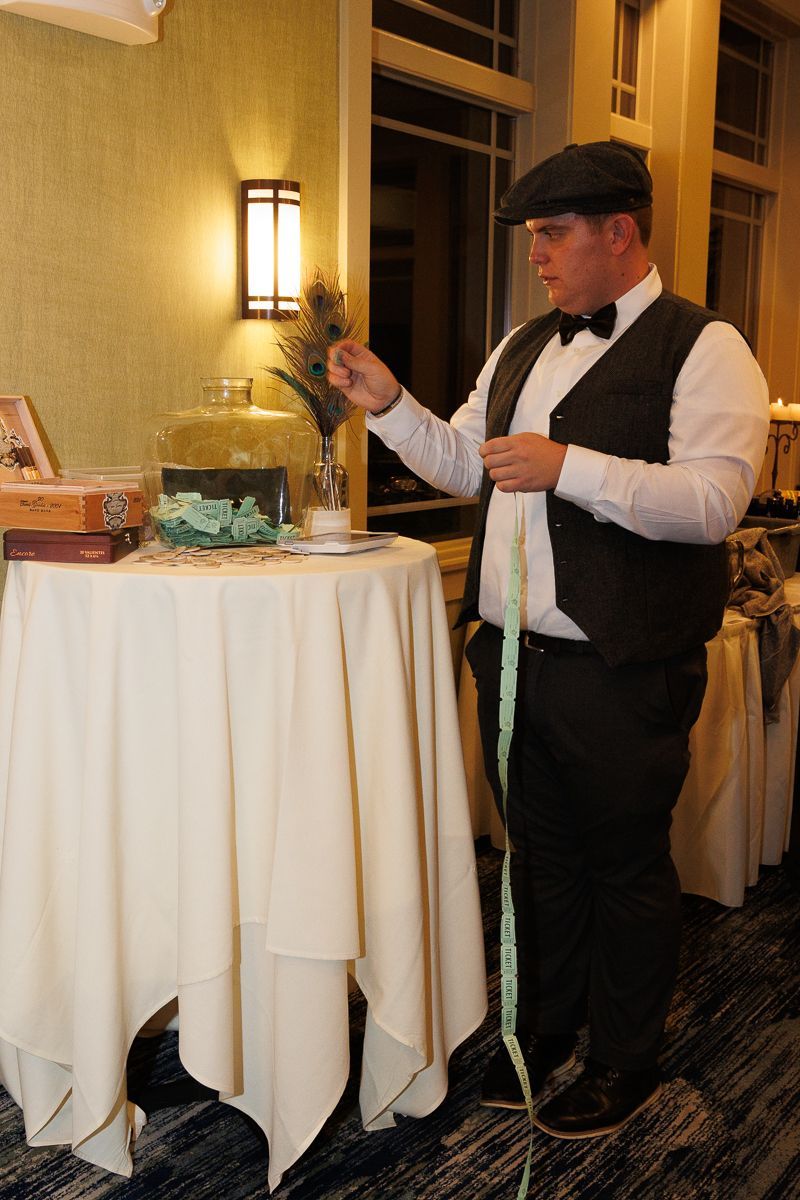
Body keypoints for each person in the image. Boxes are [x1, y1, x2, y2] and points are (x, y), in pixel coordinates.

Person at [327, 141, 769, 1139]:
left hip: (623, 668)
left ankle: (624, 1060)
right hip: (511, 661)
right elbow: (465, 465)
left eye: (552, 235)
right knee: (537, 860)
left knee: (624, 868)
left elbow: (712, 503)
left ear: (619, 232)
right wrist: (390, 405)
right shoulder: (521, 345)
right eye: (533, 237)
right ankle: (544, 1030)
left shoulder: (705, 347)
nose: (536, 257)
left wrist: (569, 464)